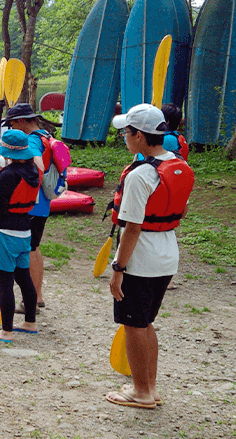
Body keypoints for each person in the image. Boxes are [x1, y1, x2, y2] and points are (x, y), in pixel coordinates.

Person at [105, 103, 194, 409]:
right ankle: (149, 387)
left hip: (141, 259)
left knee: (134, 324)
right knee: (145, 323)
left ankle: (141, 392)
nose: (124, 137)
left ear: (140, 136)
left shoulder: (141, 176)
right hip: (167, 253)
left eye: (126, 132)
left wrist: (118, 268)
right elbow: (179, 209)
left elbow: (131, 230)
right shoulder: (177, 165)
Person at [0, 130, 41, 343]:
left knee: (5, 281)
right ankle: (30, 322)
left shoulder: (8, 174)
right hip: (24, 230)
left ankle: (6, 331)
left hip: (5, 232)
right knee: (23, 277)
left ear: (8, 153)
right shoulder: (33, 170)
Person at [3, 104, 49, 314]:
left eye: (12, 123)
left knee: (30, 249)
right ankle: (37, 296)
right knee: (34, 248)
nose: (11, 127)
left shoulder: (31, 140)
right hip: (42, 203)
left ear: (22, 121)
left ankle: (34, 297)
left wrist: (23, 176)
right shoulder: (44, 135)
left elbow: (38, 165)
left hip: (32, 203)